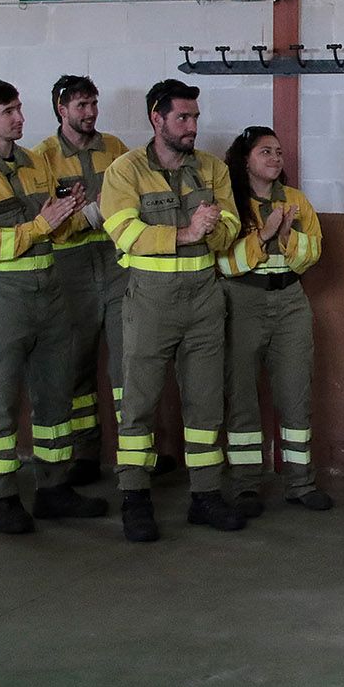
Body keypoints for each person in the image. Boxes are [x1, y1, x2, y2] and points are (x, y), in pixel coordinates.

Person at [0, 79, 106, 534]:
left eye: (19, 108)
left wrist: (70, 214)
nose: (20, 118)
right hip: (1, 297)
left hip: (49, 291)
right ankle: (1, 496)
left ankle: (53, 489)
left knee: (55, 394)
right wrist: (40, 225)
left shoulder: (35, 162)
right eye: (8, 111)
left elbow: (52, 228)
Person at [100, 79, 243, 542]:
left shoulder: (212, 169)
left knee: (206, 400)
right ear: (156, 118)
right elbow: (125, 233)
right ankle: (134, 496)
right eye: (182, 117)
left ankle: (205, 494)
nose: (192, 126)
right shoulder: (124, 171)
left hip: (204, 297)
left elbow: (232, 226)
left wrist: (214, 230)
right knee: (138, 402)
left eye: (195, 117)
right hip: (151, 299)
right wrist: (188, 232)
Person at [33, 75, 177, 485]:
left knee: (128, 361)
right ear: (61, 109)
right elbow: (50, 224)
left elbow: (133, 202)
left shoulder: (115, 148)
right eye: (81, 105)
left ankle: (137, 453)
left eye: (93, 103)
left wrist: (90, 213)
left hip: (117, 264)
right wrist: (92, 214)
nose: (90, 112)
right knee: (76, 362)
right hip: (69, 268)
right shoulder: (42, 157)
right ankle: (85, 455)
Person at [217, 126, 332, 516]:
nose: (276, 158)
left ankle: (301, 483)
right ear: (245, 159)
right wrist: (264, 236)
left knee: (296, 392)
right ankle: (246, 485)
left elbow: (310, 255)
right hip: (242, 301)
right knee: (241, 396)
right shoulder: (230, 202)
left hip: (290, 303)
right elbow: (225, 262)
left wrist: (286, 237)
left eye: (279, 152)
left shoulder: (296, 201)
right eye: (265, 151)